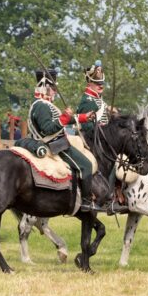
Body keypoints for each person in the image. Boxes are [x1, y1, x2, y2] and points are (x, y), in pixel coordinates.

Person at [27, 69, 99, 211]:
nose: (55, 91)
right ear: (45, 88)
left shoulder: (45, 104)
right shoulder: (41, 106)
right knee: (86, 165)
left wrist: (83, 117)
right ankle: (85, 202)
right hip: (55, 145)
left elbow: (64, 120)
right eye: (53, 88)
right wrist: (64, 118)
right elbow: (47, 129)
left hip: (58, 142)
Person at [77, 60, 109, 133]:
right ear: (89, 83)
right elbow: (86, 126)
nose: (101, 86)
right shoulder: (87, 101)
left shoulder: (97, 99)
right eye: (97, 83)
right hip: (92, 140)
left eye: (102, 83)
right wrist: (101, 127)